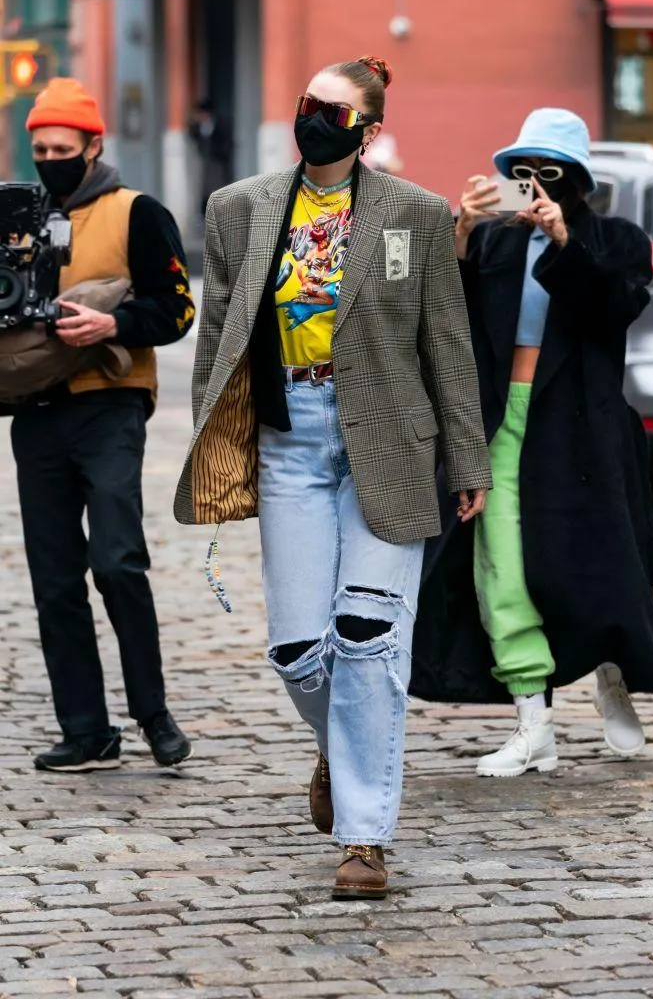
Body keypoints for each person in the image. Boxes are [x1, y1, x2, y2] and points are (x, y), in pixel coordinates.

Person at [174, 55, 491, 897]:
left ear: (370, 130)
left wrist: (467, 458)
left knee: (367, 637)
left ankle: (363, 839)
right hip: (291, 439)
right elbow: (218, 339)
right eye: (307, 102)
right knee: (295, 650)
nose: (313, 118)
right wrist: (218, 445)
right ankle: (341, 747)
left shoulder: (415, 214)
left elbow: (447, 344)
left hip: (389, 441)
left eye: (334, 110)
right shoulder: (238, 209)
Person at [410, 108, 653, 776]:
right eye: (521, 171)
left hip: (581, 428)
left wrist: (564, 244)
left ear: (578, 180)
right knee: (500, 567)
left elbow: (613, 310)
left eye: (549, 172)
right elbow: (448, 318)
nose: (533, 183)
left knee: (590, 568)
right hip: (502, 420)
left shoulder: (616, 239)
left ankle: (610, 669)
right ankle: (532, 724)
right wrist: (460, 233)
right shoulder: (494, 242)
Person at [10, 78, 195, 772]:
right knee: (55, 579)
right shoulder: (17, 218)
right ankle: (86, 731)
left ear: (93, 146)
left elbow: (177, 310)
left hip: (109, 406)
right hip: (35, 413)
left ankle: (154, 714)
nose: (50, 161)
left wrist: (113, 323)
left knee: (117, 562)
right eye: (40, 151)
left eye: (62, 149)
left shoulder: (135, 212)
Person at [188, 98, 232, 218]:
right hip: (203, 164)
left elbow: (226, 144)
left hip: (217, 164)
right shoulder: (196, 127)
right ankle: (204, 216)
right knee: (203, 191)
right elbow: (193, 138)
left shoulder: (220, 124)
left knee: (217, 190)